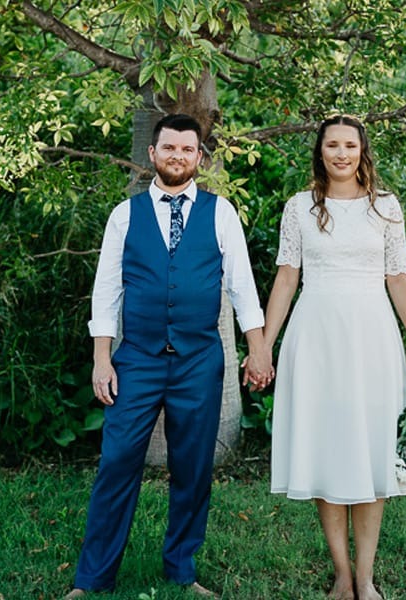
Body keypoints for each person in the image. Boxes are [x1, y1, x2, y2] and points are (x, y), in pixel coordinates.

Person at [65, 113, 273, 599]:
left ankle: (181, 569)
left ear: (199, 157)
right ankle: (93, 578)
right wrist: (102, 358)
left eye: (187, 149)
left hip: (200, 360)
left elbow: (243, 288)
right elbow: (107, 291)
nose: (178, 156)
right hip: (135, 359)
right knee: (117, 462)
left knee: (193, 467)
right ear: (153, 154)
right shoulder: (125, 214)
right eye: (169, 148)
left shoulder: (221, 214)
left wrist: (258, 349)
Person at [254, 115, 406, 600]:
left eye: (349, 145)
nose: (341, 154)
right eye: (332, 145)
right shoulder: (300, 208)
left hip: (372, 340)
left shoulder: (386, 208)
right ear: (320, 152)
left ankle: (368, 578)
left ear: (362, 151)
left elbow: (399, 278)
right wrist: (265, 345)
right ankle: (342, 576)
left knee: (372, 455)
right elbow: (287, 278)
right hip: (316, 341)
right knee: (328, 454)